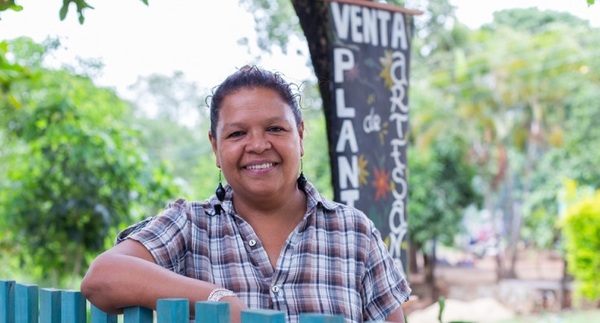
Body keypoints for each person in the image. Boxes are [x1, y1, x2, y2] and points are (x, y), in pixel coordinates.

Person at [81, 65, 411, 323]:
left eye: (275, 129)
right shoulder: (190, 226)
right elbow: (102, 277)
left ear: (299, 135)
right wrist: (216, 298)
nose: (257, 145)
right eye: (237, 133)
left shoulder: (355, 233)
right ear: (215, 146)